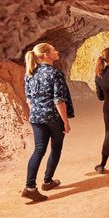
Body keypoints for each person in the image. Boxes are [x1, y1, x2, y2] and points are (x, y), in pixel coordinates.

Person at [23, 42, 74, 203]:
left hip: (36, 117)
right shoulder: (54, 73)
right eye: (53, 50)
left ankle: (30, 187)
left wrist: (37, 112)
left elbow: (29, 99)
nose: (57, 51)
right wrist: (65, 121)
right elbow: (59, 100)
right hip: (53, 117)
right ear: (46, 55)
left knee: (38, 150)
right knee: (56, 148)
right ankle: (47, 181)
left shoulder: (30, 73)